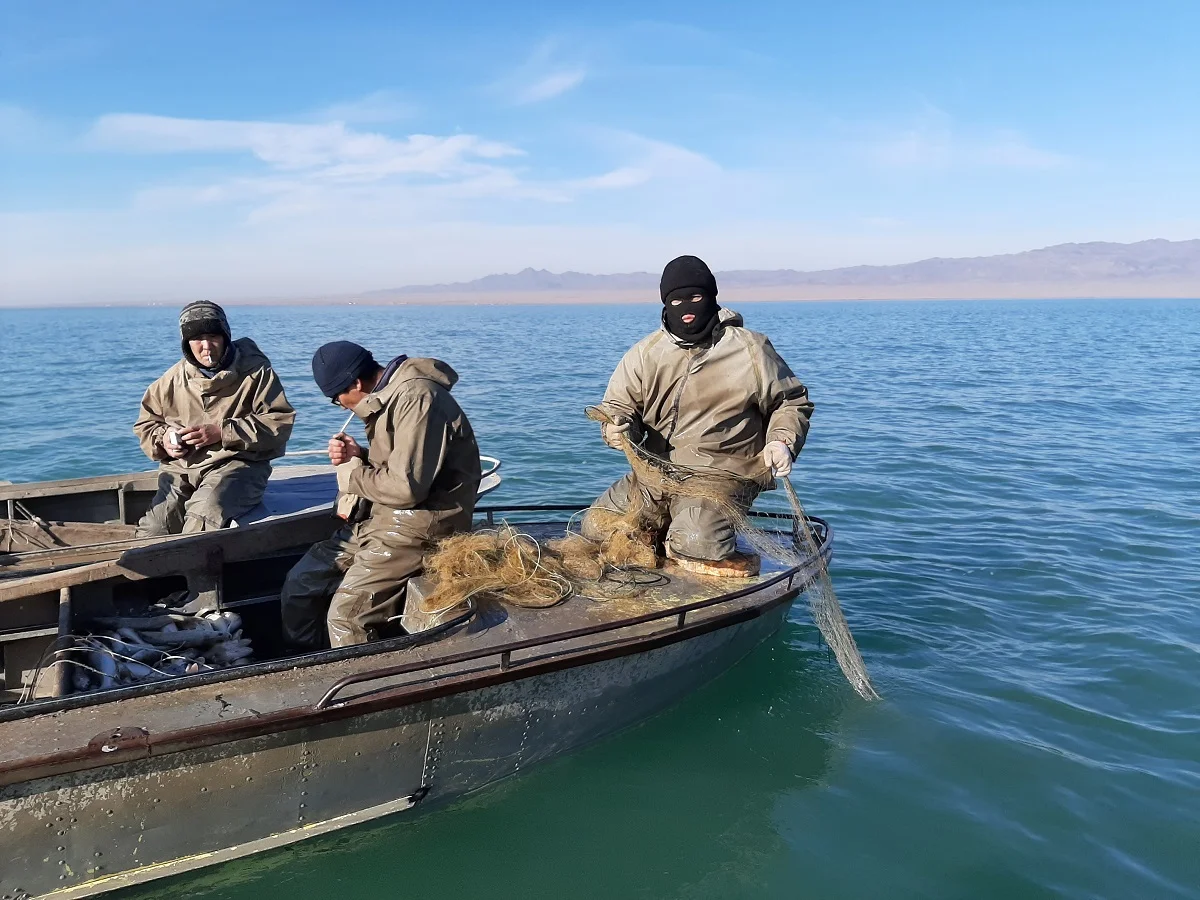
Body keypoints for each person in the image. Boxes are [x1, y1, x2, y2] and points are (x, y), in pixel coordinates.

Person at [585, 255, 814, 572]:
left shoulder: (751, 349)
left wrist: (781, 441)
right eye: (677, 300)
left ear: (712, 297)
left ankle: (704, 545)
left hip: (722, 475)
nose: (687, 308)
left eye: (695, 297)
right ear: (666, 303)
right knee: (596, 527)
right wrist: (616, 429)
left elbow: (790, 402)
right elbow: (619, 407)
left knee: (695, 541)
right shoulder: (646, 353)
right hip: (654, 475)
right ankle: (661, 530)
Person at [280, 342, 482, 649]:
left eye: (338, 399)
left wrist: (351, 474)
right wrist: (358, 454)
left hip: (420, 525)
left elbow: (407, 488)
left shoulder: (417, 399)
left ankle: (360, 692)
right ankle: (307, 667)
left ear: (356, 384)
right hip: (378, 517)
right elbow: (399, 467)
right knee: (300, 584)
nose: (342, 406)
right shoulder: (391, 397)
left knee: (347, 617)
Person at [133, 301, 295, 536]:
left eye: (213, 337)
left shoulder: (257, 373)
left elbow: (280, 422)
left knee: (204, 513)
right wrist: (164, 440)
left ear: (225, 337)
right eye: (197, 339)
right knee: (156, 527)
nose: (206, 346)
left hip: (239, 465)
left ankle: (197, 570)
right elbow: (146, 425)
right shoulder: (169, 382)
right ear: (186, 343)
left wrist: (223, 432)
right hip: (183, 468)